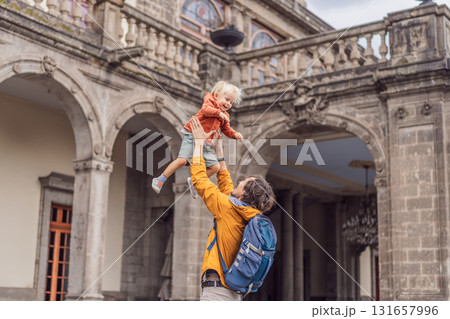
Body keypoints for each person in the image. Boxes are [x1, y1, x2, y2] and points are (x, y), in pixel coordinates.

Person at [189, 117, 275, 301]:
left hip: (217, 293)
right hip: (234, 293)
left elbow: (200, 180)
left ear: (244, 193)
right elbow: (226, 185)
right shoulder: (248, 214)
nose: (240, 181)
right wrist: (219, 150)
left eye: (243, 182)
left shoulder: (228, 208)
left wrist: (198, 145)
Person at [151, 81, 244, 198]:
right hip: (192, 136)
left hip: (206, 143)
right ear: (216, 96)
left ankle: (194, 182)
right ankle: (160, 179)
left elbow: (226, 129)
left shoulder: (225, 115)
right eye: (226, 99)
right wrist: (219, 113)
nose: (228, 104)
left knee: (215, 167)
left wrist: (235, 134)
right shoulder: (209, 100)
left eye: (231, 102)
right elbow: (206, 110)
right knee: (182, 161)